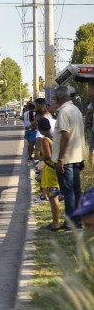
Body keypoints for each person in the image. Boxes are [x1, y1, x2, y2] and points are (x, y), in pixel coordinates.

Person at [52, 85, 87, 227]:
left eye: (55, 98)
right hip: (77, 156)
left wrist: (60, 158)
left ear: (59, 98)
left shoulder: (64, 112)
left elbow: (65, 136)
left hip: (66, 159)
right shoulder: (76, 110)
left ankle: (71, 222)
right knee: (76, 191)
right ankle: (78, 221)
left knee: (68, 192)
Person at [36, 117, 65, 231]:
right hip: (54, 169)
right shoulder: (53, 137)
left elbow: (48, 155)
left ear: (40, 128)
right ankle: (56, 221)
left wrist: (40, 157)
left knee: (53, 197)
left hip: (50, 170)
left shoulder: (45, 140)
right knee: (55, 196)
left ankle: (55, 222)